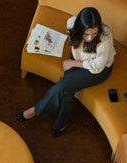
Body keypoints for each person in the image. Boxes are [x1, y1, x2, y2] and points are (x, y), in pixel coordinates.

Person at [17, 7, 115, 137]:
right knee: (66, 91)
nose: (90, 38)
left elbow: (97, 66)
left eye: (94, 33)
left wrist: (72, 63)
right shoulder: (72, 24)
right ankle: (63, 120)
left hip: (97, 70)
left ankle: (36, 110)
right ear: (79, 28)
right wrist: (74, 58)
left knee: (63, 86)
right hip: (79, 59)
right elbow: (71, 26)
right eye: (86, 34)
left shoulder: (104, 41)